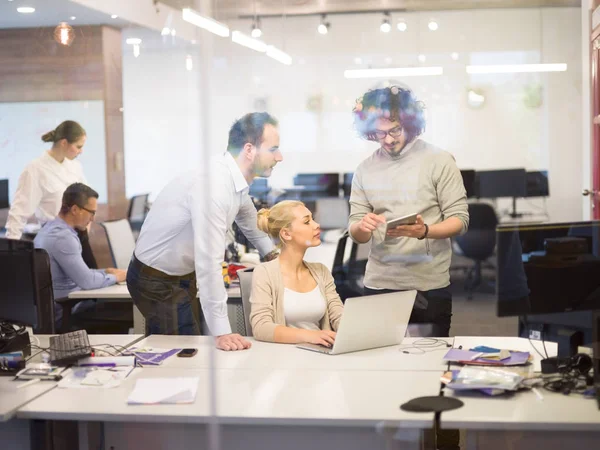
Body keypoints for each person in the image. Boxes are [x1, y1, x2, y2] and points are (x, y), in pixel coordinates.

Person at [128, 112, 283, 350]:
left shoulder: (234, 181)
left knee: (183, 351)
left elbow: (248, 218)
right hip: (155, 278)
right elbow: (209, 262)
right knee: (184, 355)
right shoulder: (214, 186)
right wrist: (222, 332)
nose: (280, 157)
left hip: (180, 274)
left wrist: (274, 257)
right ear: (250, 150)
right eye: (273, 149)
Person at [348, 85, 469, 338]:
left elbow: (460, 220)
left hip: (428, 286)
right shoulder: (364, 170)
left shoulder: (439, 160)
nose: (389, 139)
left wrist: (425, 231)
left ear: (410, 122)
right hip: (380, 283)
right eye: (380, 134)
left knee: (428, 364)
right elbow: (356, 231)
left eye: (395, 130)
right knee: (380, 364)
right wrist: (362, 227)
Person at [250, 201, 344, 345]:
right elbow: (261, 327)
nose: (316, 225)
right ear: (286, 234)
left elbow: (338, 315)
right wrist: (310, 336)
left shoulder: (321, 271)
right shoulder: (264, 273)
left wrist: (356, 329)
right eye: (307, 222)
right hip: (281, 360)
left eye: (313, 219)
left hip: (319, 355)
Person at [6, 120, 97, 268]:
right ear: (64, 143)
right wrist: (10, 254)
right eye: (78, 146)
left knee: (92, 285)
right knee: (64, 288)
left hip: (79, 237)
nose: (81, 151)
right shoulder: (35, 169)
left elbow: (88, 200)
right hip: (55, 240)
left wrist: (86, 226)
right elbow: (19, 212)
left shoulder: (75, 167)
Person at [33, 183, 126, 324]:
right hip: (66, 311)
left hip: (60, 306)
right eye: (91, 212)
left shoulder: (50, 228)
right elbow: (87, 281)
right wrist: (116, 277)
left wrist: (105, 271)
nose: (93, 219)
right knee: (125, 308)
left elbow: (80, 274)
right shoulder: (63, 237)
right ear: (75, 209)